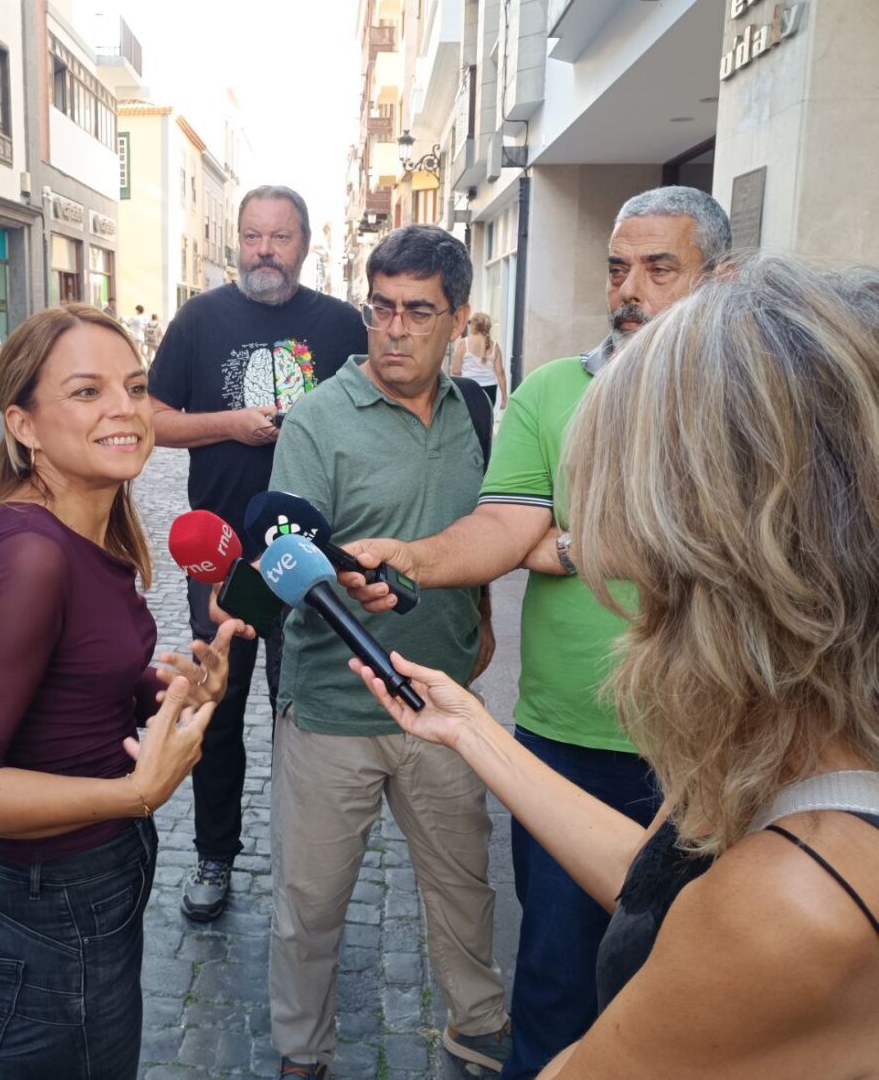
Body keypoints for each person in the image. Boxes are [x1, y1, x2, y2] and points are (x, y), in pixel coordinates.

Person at [351, 255, 879, 1080]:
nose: (608, 560)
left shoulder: (794, 897)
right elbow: (654, 886)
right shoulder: (796, 746)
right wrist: (471, 729)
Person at [342, 186, 732, 1079]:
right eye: (618, 268)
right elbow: (506, 528)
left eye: (659, 269)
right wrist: (411, 558)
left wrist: (584, 541)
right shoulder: (554, 392)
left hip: (715, 745)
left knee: (691, 989)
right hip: (565, 740)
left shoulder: (753, 398)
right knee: (554, 978)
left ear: (719, 278)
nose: (629, 289)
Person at [0, 304, 246, 1080]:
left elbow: (75, 691)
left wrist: (177, 693)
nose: (124, 409)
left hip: (85, 890)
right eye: (86, 392)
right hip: (50, 906)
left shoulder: (86, 527)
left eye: (134, 387)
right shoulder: (29, 555)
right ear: (24, 425)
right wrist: (132, 795)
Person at [267, 225, 508, 1079]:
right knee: (309, 903)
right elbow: (282, 557)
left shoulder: (475, 410)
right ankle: (301, 1051)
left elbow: (486, 527)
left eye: (418, 312)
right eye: (381, 309)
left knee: (464, 885)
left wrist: (481, 618)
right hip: (334, 710)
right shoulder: (317, 419)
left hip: (442, 705)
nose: (395, 330)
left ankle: (478, 1026)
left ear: (458, 319)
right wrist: (332, 580)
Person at [149, 184, 367, 922]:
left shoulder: (341, 325)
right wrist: (229, 425)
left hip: (308, 555)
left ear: (304, 244)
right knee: (218, 707)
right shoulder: (199, 319)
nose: (264, 251)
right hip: (220, 557)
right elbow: (153, 419)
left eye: (280, 237)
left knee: (300, 714)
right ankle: (215, 854)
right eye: (252, 236)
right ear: (236, 242)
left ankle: (304, 864)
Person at [452, 311, 507, 411]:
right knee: (486, 418)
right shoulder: (495, 347)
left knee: (469, 418)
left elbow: (456, 371)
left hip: (468, 387)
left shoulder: (463, 344)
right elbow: (500, 373)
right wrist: (504, 397)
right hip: (490, 390)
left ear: (473, 325)